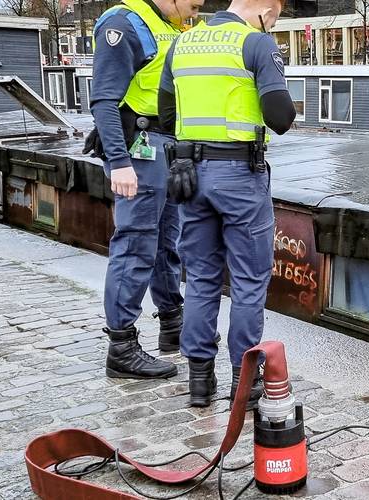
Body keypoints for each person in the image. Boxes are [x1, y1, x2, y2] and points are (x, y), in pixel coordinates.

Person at [158, 0, 296, 407]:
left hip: (190, 176)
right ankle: (245, 384)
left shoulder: (181, 44)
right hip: (240, 177)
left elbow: (167, 115)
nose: (272, 24)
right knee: (248, 282)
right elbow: (280, 117)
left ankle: (200, 383)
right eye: (275, 18)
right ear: (268, 9)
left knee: (200, 278)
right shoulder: (255, 44)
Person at [88, 0, 203, 379]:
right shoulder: (125, 22)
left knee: (167, 242)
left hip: (166, 148)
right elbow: (104, 98)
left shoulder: (170, 24)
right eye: (193, 1)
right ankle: (121, 345)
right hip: (138, 148)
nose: (198, 6)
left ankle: (172, 322)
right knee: (136, 243)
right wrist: (119, 162)